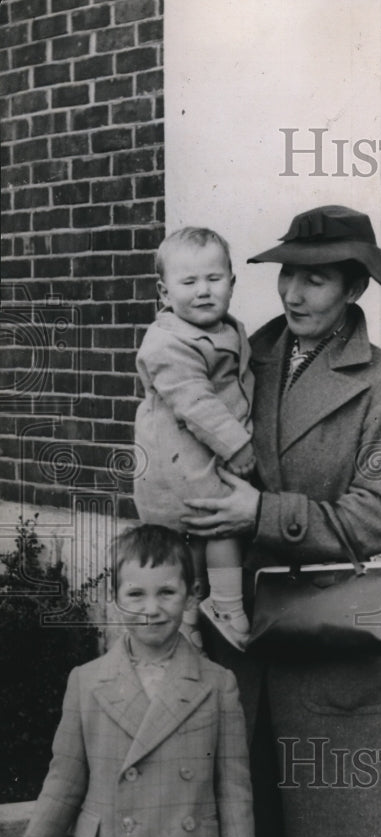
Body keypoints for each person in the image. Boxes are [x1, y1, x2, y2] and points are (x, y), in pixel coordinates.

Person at [182, 204, 381, 837]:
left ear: (353, 287)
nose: (295, 293)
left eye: (317, 278)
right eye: (288, 274)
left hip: (327, 644)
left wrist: (263, 511)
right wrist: (194, 589)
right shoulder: (234, 363)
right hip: (235, 642)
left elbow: (379, 519)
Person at [9, 524, 256, 837]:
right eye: (136, 595)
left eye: (166, 593)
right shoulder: (86, 682)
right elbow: (64, 778)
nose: (152, 609)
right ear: (115, 597)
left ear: (192, 594)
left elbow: (233, 786)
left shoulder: (218, 685)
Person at [134, 227, 255, 650]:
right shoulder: (166, 340)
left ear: (233, 283)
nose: (203, 291)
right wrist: (237, 444)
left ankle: (188, 615)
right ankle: (227, 604)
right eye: (188, 283)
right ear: (164, 292)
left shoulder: (228, 329)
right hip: (179, 457)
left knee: (197, 540)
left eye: (214, 279)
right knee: (219, 523)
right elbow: (196, 401)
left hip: (201, 451)